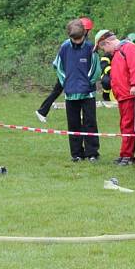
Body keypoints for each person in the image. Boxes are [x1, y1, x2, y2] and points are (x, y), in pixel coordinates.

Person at [94, 29, 135, 165]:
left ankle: (128, 156)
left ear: (107, 42)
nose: (105, 51)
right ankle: (125, 154)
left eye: (103, 47)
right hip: (123, 95)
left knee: (129, 125)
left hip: (131, 94)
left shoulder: (128, 48)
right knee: (124, 125)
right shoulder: (117, 52)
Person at [53, 18, 101, 162]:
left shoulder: (90, 48)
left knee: (90, 122)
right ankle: (76, 154)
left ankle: (92, 153)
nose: (78, 41)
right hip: (70, 94)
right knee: (73, 123)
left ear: (84, 35)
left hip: (88, 93)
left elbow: (96, 70)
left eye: (80, 38)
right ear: (70, 37)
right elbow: (58, 67)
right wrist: (66, 83)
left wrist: (87, 83)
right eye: (75, 39)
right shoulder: (65, 47)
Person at [37, 16, 93, 122]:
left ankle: (42, 111)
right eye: (87, 30)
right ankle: (42, 111)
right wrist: (65, 74)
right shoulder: (67, 44)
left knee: (60, 92)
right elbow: (57, 62)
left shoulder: (86, 43)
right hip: (68, 75)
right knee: (57, 92)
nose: (88, 32)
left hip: (74, 76)